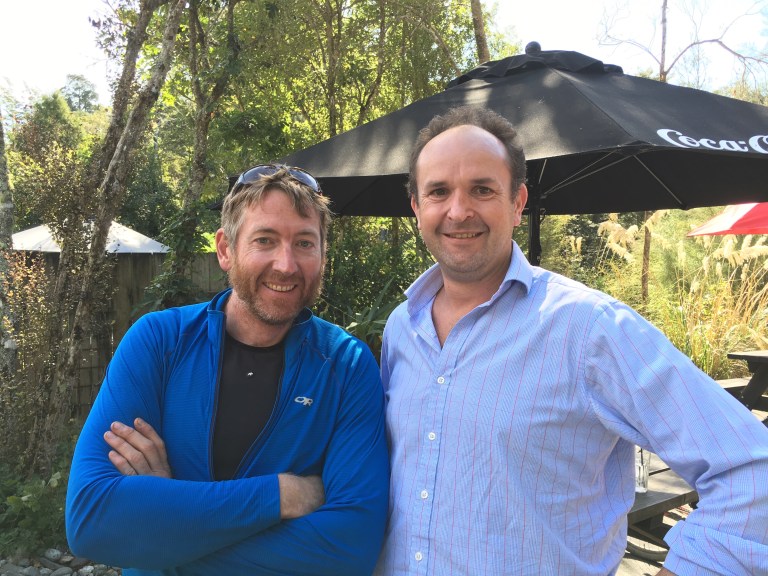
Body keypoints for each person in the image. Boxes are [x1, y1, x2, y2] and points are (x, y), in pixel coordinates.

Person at [375, 106, 768, 576]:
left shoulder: (589, 329)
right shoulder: (402, 327)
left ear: (517, 202)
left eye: (482, 189)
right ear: (417, 207)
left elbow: (752, 473)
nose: (458, 211)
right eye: (439, 191)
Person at [66, 165, 389, 576]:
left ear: (323, 255)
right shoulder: (159, 343)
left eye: (305, 243)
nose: (286, 265)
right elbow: (91, 520)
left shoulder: (346, 366)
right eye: (265, 240)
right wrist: (280, 495)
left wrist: (166, 525)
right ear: (225, 249)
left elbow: (350, 549)